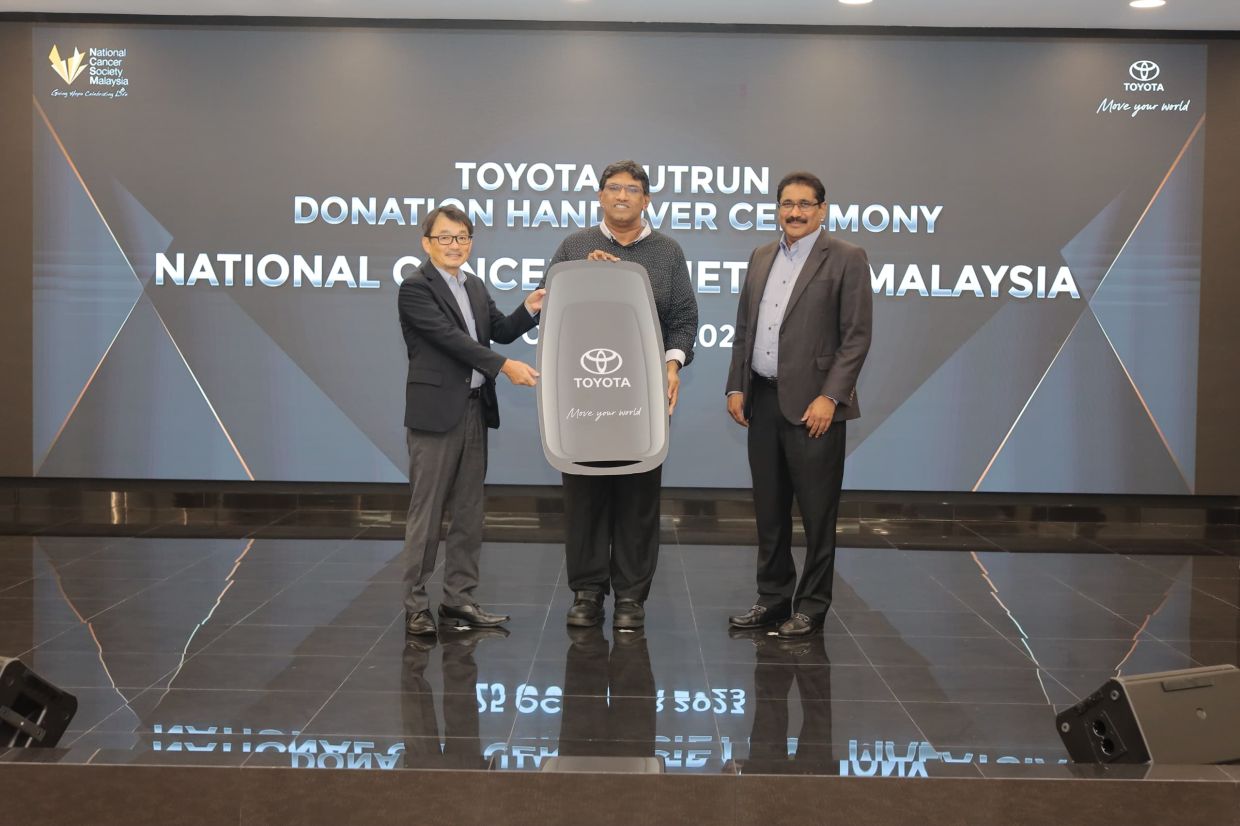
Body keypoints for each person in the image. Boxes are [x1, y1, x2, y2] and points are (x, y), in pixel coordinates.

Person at [547, 160, 698, 630]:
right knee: (585, 496)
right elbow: (548, 308)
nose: (622, 196)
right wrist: (579, 278)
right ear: (599, 195)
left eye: (632, 189)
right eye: (613, 188)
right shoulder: (575, 246)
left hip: (642, 397)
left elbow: (684, 318)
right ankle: (587, 592)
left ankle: (631, 597)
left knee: (637, 498)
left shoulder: (668, 251)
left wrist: (672, 365)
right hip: (584, 395)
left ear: (646, 199)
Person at [725, 171, 873, 638]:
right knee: (769, 510)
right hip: (763, 401)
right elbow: (745, 329)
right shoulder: (762, 255)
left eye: (805, 204)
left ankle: (811, 605)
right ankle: (772, 599)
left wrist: (831, 396)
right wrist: (736, 387)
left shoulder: (847, 258)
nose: (794, 212)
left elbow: (856, 338)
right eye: (787, 203)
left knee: (816, 513)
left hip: (815, 409)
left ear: (822, 210)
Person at [399, 205, 544, 636]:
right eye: (445, 237)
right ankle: (415, 605)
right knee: (426, 516)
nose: (454, 245)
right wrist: (505, 367)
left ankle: (459, 600)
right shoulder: (415, 289)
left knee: (468, 512)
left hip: (475, 410)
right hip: (435, 415)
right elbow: (451, 341)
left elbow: (496, 330)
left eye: (462, 237)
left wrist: (529, 307)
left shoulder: (474, 286)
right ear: (427, 243)